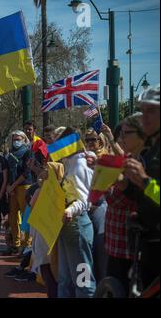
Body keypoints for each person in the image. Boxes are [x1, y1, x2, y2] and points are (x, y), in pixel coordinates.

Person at [99, 115, 146, 294]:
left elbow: (120, 198)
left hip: (130, 246)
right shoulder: (133, 159)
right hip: (117, 242)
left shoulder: (147, 162)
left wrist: (108, 182)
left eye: (126, 134)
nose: (122, 138)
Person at [122, 84, 160, 292]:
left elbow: (152, 188)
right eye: (143, 110)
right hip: (146, 242)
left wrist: (144, 181)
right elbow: (141, 195)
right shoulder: (151, 150)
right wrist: (126, 184)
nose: (145, 117)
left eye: (152, 110)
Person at [56, 127, 96, 298]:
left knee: (82, 280)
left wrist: (70, 209)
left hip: (77, 226)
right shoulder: (71, 162)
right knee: (65, 278)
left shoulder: (79, 164)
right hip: (68, 226)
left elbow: (83, 199)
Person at [84, 128, 109, 284]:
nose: (89, 143)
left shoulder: (106, 157)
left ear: (100, 140)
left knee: (100, 248)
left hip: (101, 206)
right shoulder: (83, 158)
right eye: (87, 140)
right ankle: (87, 284)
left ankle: (103, 284)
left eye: (92, 139)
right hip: (85, 207)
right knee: (86, 248)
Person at [6, 130, 32, 255]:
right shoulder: (10, 152)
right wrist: (9, 187)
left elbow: (26, 172)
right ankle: (16, 244)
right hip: (12, 188)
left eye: (19, 139)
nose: (16, 141)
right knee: (13, 217)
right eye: (14, 139)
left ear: (24, 139)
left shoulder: (28, 152)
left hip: (24, 186)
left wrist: (14, 185)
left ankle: (27, 245)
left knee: (26, 216)